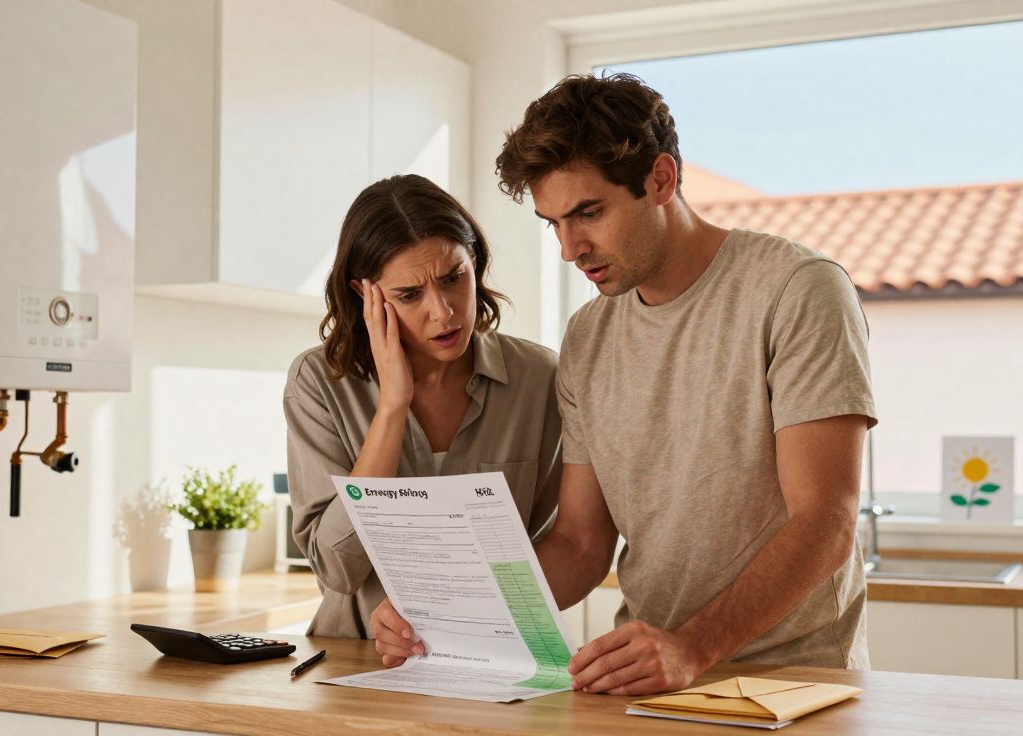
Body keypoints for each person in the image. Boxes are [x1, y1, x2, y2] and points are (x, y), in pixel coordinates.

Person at [371, 74, 878, 695]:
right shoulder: (588, 336)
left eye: (589, 212)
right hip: (648, 678)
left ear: (661, 180)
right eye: (553, 222)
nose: (569, 248)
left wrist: (695, 646)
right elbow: (581, 542)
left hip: (793, 684)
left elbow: (826, 521)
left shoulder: (797, 290)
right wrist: (444, 621)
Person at [283, 174, 563, 639]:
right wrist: (392, 407)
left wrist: (465, 615)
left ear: (474, 262)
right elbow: (337, 569)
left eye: (454, 279)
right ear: (364, 294)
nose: (444, 312)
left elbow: (557, 546)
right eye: (410, 295)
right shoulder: (319, 383)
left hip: (497, 661)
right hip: (355, 663)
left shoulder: (540, 380)